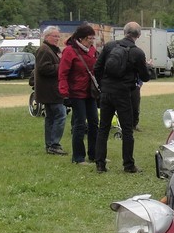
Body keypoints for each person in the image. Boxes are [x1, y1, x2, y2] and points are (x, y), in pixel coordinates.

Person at [93, 21, 150, 173]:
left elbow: (97, 68)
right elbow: (145, 77)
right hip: (124, 93)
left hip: (106, 92)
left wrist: (102, 85)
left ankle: (100, 164)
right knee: (127, 129)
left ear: (124, 32)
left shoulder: (110, 46)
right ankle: (128, 165)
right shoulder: (137, 52)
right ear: (138, 35)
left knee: (103, 128)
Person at [59, 24, 99, 165]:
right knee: (80, 124)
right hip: (76, 93)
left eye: (93, 38)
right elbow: (62, 73)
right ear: (80, 38)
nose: (92, 41)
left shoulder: (92, 50)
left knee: (94, 122)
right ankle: (78, 157)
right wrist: (64, 93)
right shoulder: (69, 52)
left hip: (90, 92)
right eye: (89, 38)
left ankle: (94, 155)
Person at [35, 26, 67, 156]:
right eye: (55, 36)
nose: (57, 39)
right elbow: (44, 69)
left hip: (50, 90)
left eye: (58, 36)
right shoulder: (44, 50)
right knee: (61, 115)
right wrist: (62, 66)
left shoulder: (52, 50)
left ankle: (50, 145)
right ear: (47, 36)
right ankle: (54, 144)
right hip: (50, 91)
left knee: (51, 118)